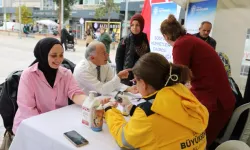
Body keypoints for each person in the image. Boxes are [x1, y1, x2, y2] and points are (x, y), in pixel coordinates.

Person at [102, 53, 209, 150]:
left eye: (135, 81)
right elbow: (167, 120)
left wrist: (109, 110)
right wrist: (132, 109)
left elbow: (124, 140)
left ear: (143, 83)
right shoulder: (184, 94)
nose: (135, 85)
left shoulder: (147, 112)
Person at [160, 14, 235, 148]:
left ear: (165, 36)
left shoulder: (181, 44)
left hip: (215, 102)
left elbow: (178, 78)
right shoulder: (189, 40)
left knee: (197, 142)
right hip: (218, 96)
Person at [13, 38, 89, 134]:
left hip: (55, 122)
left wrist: (91, 101)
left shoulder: (66, 74)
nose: (59, 59)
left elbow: (75, 93)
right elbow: (27, 108)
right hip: (30, 124)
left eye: (61, 55)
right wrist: (48, 126)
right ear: (43, 55)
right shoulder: (29, 75)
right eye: (54, 55)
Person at [73, 41, 138, 95]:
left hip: (101, 99)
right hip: (83, 104)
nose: (107, 55)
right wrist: (119, 77)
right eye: (103, 53)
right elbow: (102, 89)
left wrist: (129, 89)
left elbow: (112, 82)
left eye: (106, 52)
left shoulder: (104, 64)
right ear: (92, 57)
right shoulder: (82, 70)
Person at [115, 14, 150, 86]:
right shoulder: (125, 39)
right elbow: (118, 59)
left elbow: (147, 55)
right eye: (132, 25)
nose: (134, 27)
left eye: (137, 25)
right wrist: (120, 76)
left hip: (140, 73)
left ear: (141, 26)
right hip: (127, 74)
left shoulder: (144, 38)